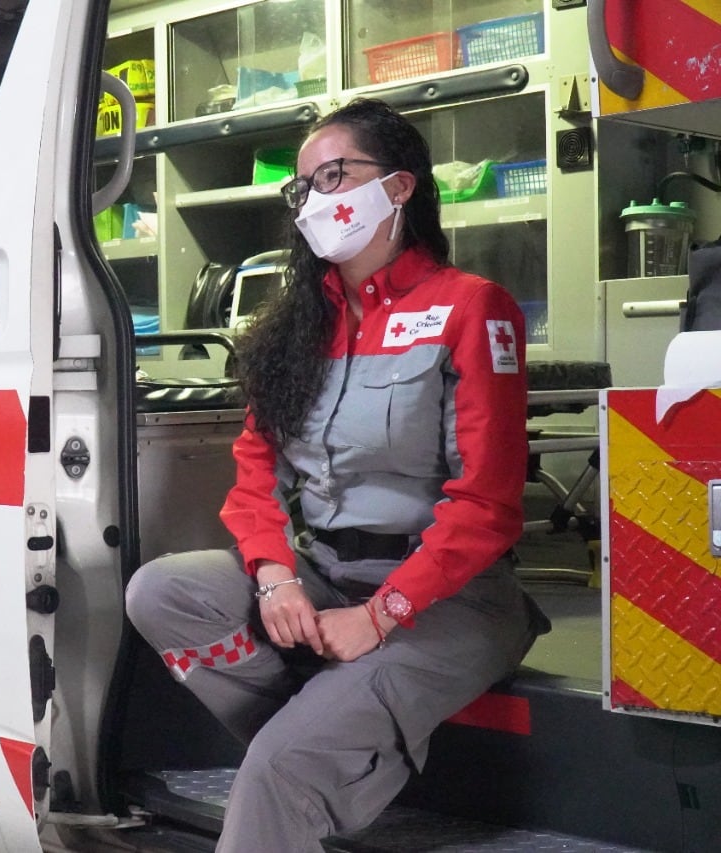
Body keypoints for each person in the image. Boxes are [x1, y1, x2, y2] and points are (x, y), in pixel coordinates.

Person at [125, 97, 549, 851]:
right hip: (323, 578)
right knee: (160, 590)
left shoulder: (469, 308)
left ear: (398, 187)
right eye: (304, 187)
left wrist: (383, 613)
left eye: (334, 176)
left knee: (276, 769)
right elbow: (255, 468)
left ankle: (304, 756)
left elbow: (487, 503)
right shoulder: (297, 327)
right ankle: (327, 733)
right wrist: (274, 575)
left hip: (447, 601)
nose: (316, 200)